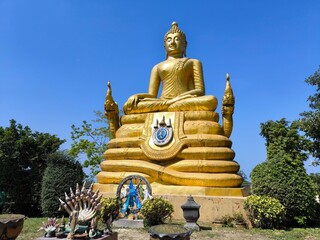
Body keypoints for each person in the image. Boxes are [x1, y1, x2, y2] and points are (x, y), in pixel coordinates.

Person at [123, 22, 217, 114]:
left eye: (177, 39)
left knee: (211, 100)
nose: (172, 42)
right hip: (164, 102)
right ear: (165, 46)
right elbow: (152, 95)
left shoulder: (193, 62)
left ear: (185, 45)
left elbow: (200, 91)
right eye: (169, 40)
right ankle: (169, 105)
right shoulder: (157, 67)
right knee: (128, 106)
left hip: (183, 100)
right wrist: (136, 96)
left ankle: (166, 107)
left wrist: (179, 98)